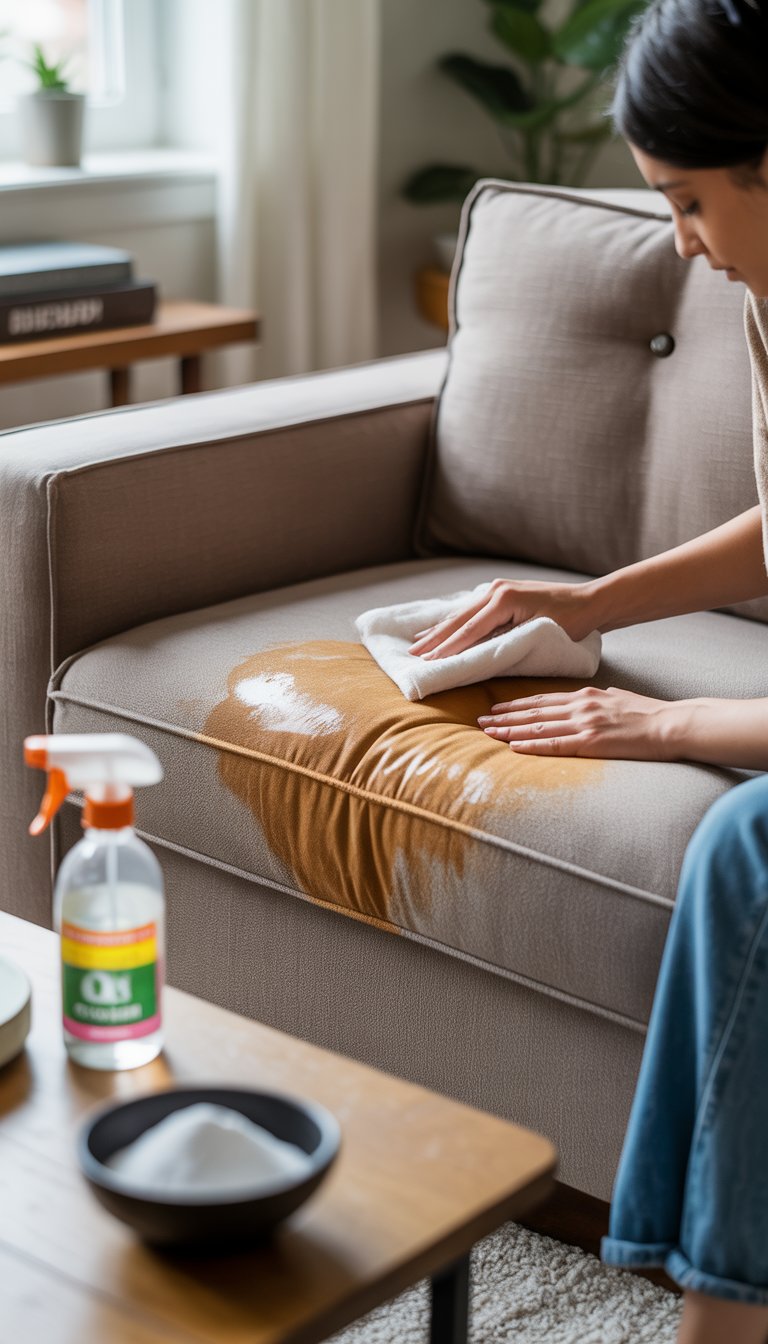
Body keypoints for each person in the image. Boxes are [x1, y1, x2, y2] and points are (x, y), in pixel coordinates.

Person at [409, 2, 768, 1340]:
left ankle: (720, 1319)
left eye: (688, 200)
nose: (679, 240)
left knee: (749, 847)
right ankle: (704, 1287)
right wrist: (592, 597)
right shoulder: (764, 299)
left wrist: (666, 725)